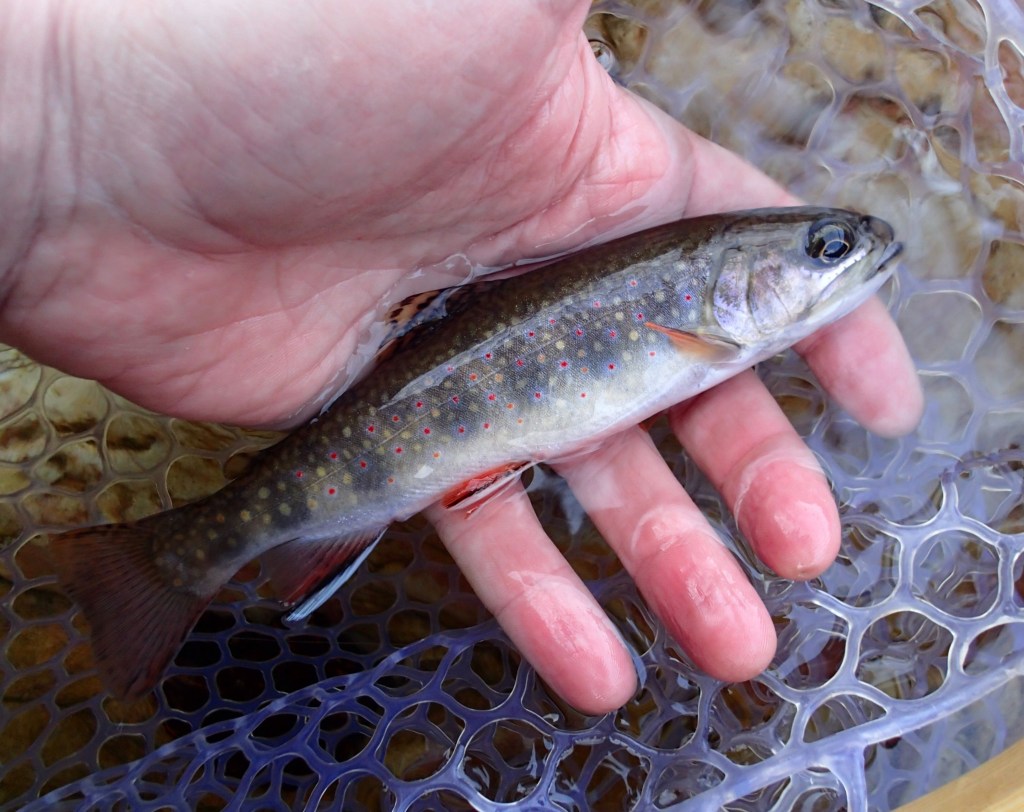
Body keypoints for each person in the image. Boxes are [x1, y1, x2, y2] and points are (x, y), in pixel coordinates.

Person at [0, 1, 921, 714]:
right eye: (825, 250)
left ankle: (172, 556)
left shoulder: (701, 311)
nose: (847, 250)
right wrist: (61, 117)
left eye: (826, 246)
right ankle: (167, 561)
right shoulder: (698, 317)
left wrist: (57, 127)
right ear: (730, 279)